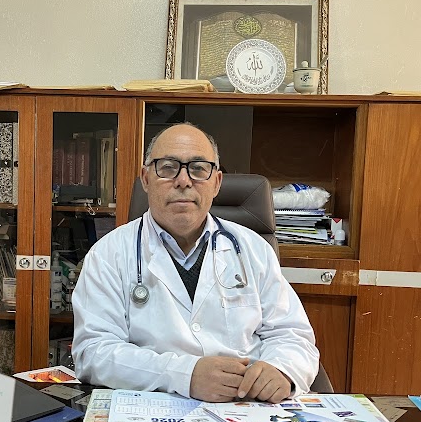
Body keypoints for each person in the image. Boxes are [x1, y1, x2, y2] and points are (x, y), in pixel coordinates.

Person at [71, 123, 319, 403]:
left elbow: (292, 335)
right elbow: (93, 352)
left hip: (246, 407)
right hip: (154, 409)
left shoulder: (253, 249)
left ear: (217, 182)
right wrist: (183, 375)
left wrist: (282, 370)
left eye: (199, 168)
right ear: (146, 179)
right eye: (168, 167)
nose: (183, 181)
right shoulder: (108, 254)